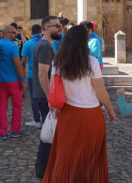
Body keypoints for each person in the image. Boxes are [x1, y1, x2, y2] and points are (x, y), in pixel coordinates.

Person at [43, 25, 116, 183]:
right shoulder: (92, 62)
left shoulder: (58, 61)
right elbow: (101, 92)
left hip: (68, 114)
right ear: (84, 42)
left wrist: (53, 106)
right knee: (90, 156)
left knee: (66, 155)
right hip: (91, 115)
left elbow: (53, 88)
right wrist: (111, 110)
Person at [32, 16, 62, 178]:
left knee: (51, 132)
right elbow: (43, 74)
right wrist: (51, 97)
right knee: (50, 133)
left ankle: (45, 168)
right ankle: (43, 169)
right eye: (57, 25)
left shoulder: (45, 45)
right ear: (47, 28)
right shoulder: (44, 46)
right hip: (46, 97)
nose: (60, 28)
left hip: (45, 95)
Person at [0, 26, 25, 139]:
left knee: (2, 106)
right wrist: (23, 79)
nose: (16, 35)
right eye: (13, 33)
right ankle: (15, 130)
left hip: (1, 81)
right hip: (13, 80)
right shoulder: (13, 47)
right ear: (7, 34)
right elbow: (18, 65)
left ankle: (3, 132)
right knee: (17, 106)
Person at [21, 24, 43, 128]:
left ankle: (37, 120)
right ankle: (46, 119)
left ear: (31, 32)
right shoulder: (47, 43)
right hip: (45, 74)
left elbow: (23, 60)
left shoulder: (28, 43)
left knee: (33, 97)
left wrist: (21, 74)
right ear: (41, 31)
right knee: (44, 97)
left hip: (31, 74)